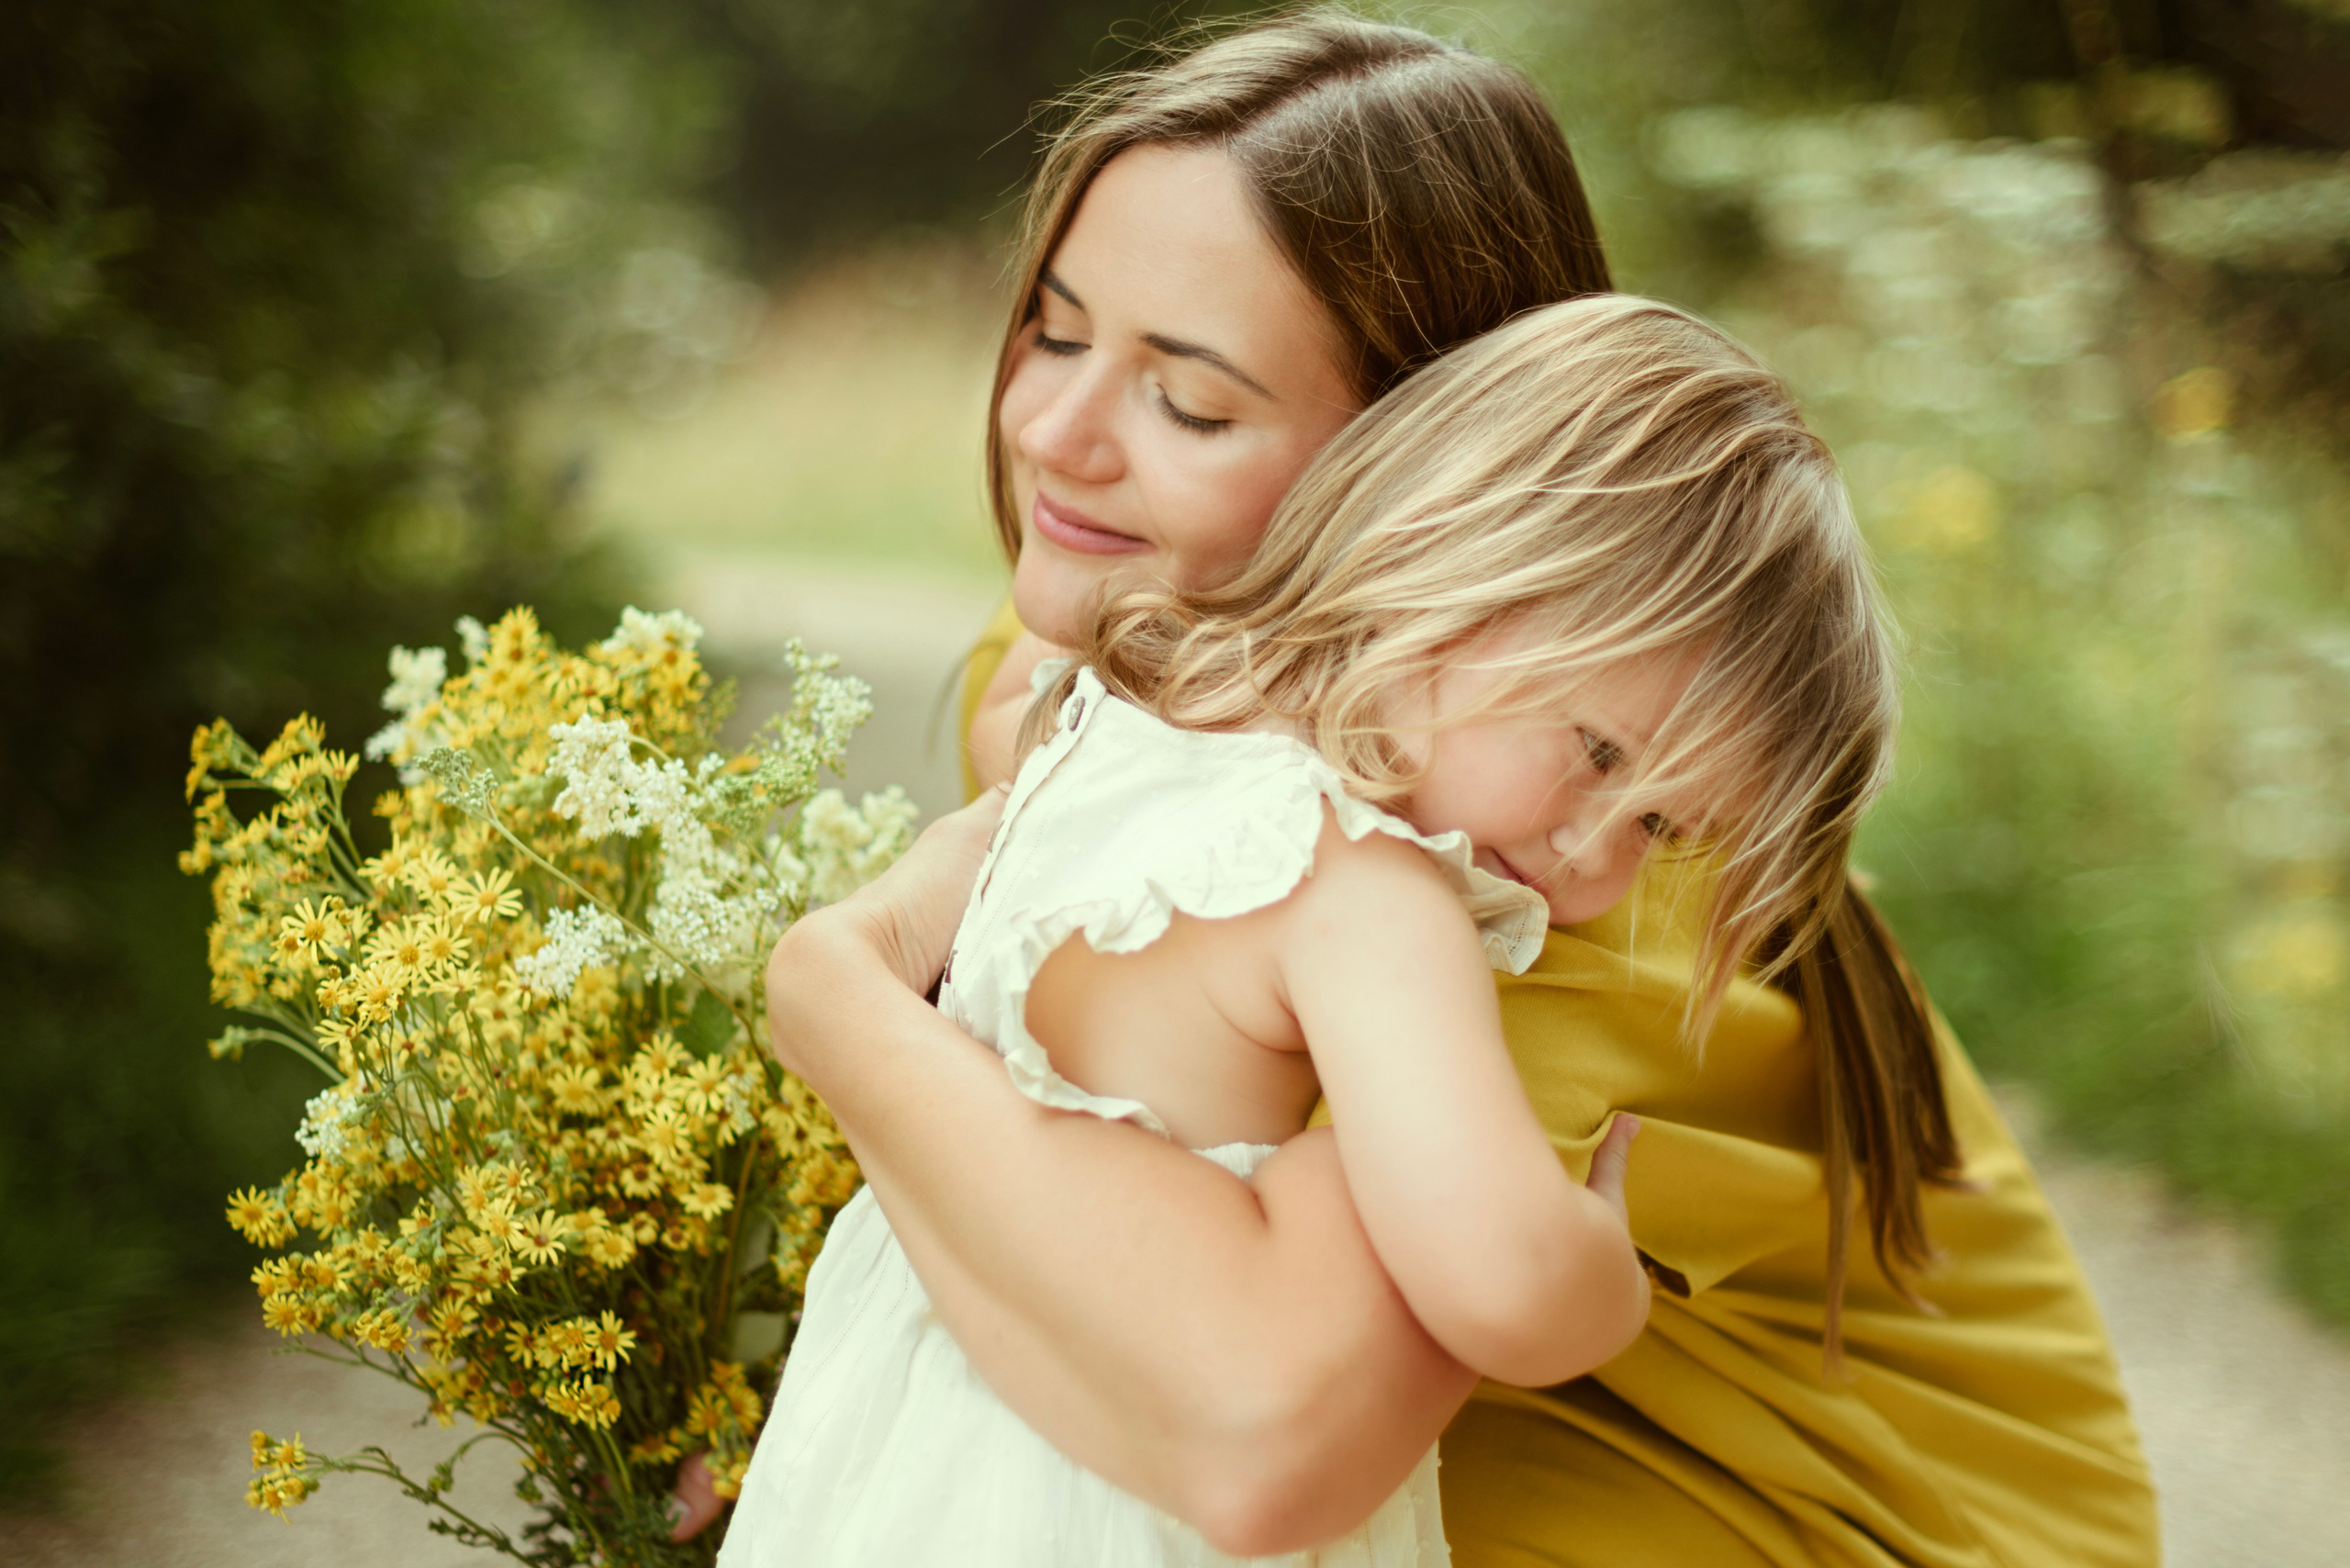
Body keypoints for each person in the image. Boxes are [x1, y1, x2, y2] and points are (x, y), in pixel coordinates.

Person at [688, 12, 2160, 1566]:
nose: (1051, 435)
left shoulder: (1517, 877)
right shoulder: (1130, 661)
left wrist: (833, 998)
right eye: (1056, 333)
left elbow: (1262, 1450)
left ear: (1435, 464)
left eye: (1190, 403)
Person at [735, 288, 1886, 1562]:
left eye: (1662, 832)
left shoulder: (1095, 718)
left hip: (896, 1454)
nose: (1587, 854)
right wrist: (1603, 1270)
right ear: (1458, 556)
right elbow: (1501, 1279)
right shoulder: (1373, 898)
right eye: (1596, 750)